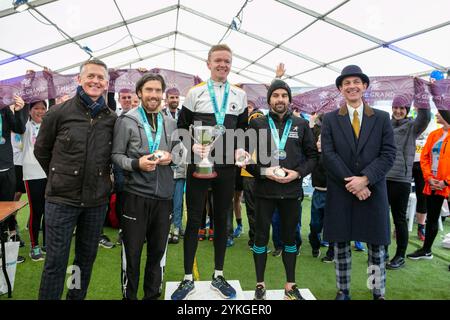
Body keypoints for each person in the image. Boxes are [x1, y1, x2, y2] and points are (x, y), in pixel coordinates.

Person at [34, 58, 117, 300]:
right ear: (79, 79)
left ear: (106, 83)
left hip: (95, 201)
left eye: (100, 77)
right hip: (61, 200)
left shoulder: (111, 118)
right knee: (55, 262)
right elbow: (42, 150)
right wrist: (60, 175)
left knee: (84, 260)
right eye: (90, 76)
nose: (95, 81)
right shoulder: (57, 113)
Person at [171, 44, 248, 300]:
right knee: (193, 220)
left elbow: (244, 132)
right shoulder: (194, 93)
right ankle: (186, 278)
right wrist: (191, 145)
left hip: (227, 169)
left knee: (222, 220)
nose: (222, 65)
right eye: (218, 60)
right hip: (199, 165)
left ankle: (218, 274)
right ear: (208, 63)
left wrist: (240, 150)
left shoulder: (239, 95)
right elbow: (181, 128)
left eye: (227, 61)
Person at [321, 65, 396, 300]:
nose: (351, 86)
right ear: (340, 89)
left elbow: (388, 154)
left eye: (356, 82)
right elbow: (329, 155)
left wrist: (364, 180)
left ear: (364, 86)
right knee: (341, 246)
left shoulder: (382, 118)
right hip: (342, 192)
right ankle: (343, 291)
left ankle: (377, 291)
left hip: (372, 191)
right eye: (346, 83)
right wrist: (352, 184)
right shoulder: (331, 119)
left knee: (376, 248)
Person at [242, 79, 318, 300]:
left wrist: (297, 173)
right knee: (260, 238)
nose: (280, 99)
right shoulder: (257, 124)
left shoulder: (301, 125)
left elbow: (312, 157)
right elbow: (246, 158)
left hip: (291, 191)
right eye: (275, 96)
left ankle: (290, 286)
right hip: (264, 192)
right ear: (269, 100)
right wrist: (266, 172)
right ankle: (260, 285)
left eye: (284, 95)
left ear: (289, 99)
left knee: (290, 240)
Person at [112, 73, 177, 300]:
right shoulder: (126, 120)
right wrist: (135, 164)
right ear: (139, 93)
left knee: (158, 254)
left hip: (164, 198)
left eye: (158, 91)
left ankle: (152, 296)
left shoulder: (170, 122)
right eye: (149, 90)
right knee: (132, 253)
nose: (154, 95)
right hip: (135, 197)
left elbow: (180, 152)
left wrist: (172, 157)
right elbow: (116, 156)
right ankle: (129, 297)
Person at [385, 95, 430, 270]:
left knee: (399, 220)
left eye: (402, 108)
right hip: (382, 179)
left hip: (401, 181)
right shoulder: (385, 125)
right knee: (380, 218)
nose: (398, 111)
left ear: (408, 110)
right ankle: (381, 251)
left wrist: (421, 95)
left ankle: (400, 256)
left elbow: (425, 117)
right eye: (395, 107)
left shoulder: (412, 127)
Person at [407, 112, 449, 260]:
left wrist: (446, 182)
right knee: (432, 218)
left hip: (446, 184)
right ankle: (426, 250)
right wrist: (429, 177)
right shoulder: (434, 134)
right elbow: (424, 156)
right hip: (433, 183)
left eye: (441, 112)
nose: (437, 114)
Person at [0, 95, 27, 261]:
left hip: (7, 169)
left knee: (8, 213)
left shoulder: (4, 110)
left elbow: (19, 129)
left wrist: (19, 111)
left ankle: (8, 254)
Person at [23, 100, 49, 262]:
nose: (40, 111)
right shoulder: (25, 126)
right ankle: (34, 246)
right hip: (32, 173)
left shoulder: (49, 125)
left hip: (50, 174)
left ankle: (47, 243)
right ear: (29, 110)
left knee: (50, 211)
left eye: (43, 108)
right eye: (36, 108)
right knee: (36, 211)